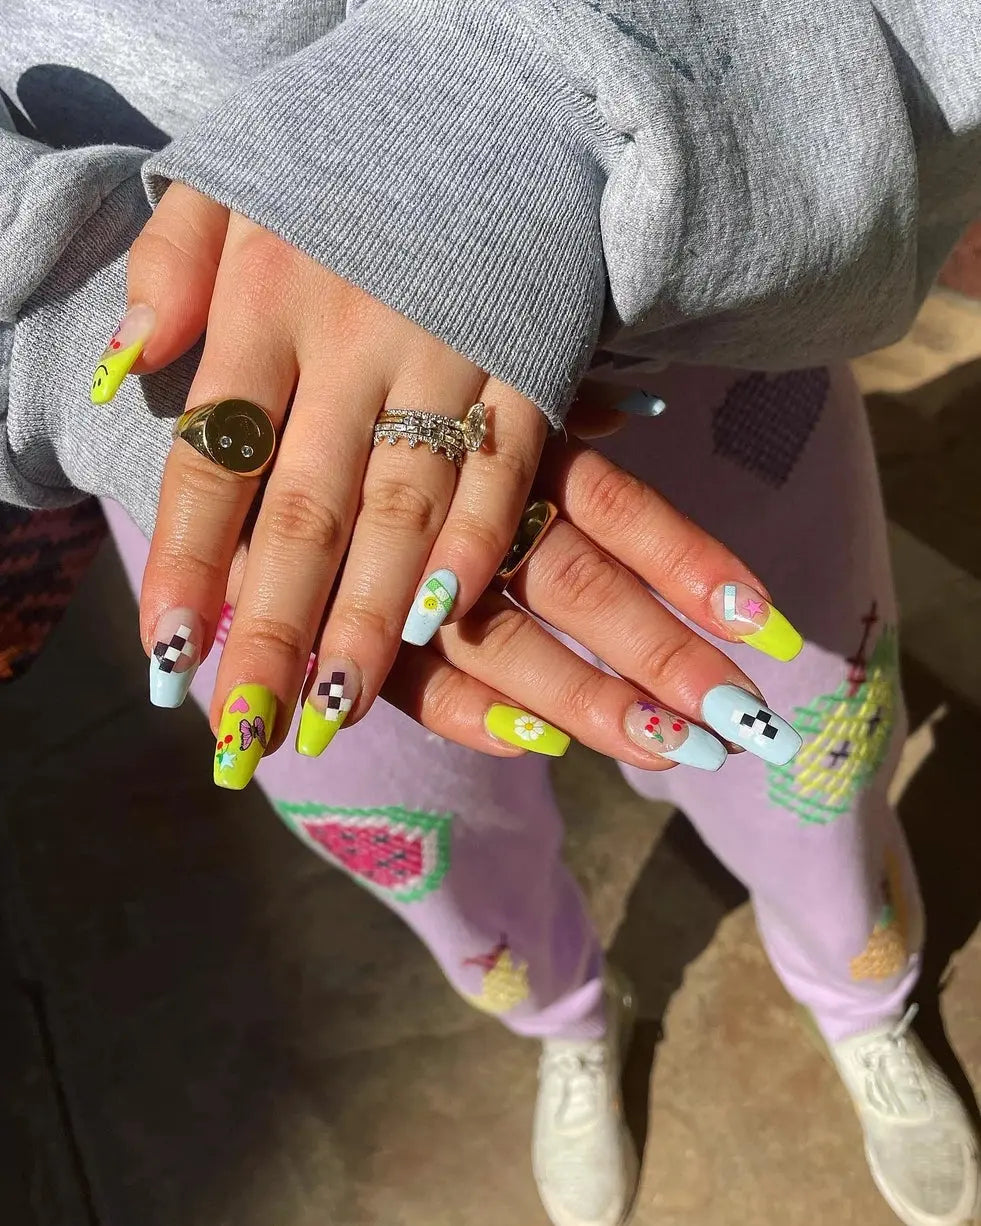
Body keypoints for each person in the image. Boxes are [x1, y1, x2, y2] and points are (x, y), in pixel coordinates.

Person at [3, 3, 981, 1224]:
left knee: (812, 764)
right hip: (228, 479)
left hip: (684, 348)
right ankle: (564, 1018)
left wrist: (521, 107)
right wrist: (55, 333)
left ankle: (861, 992)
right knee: (432, 850)